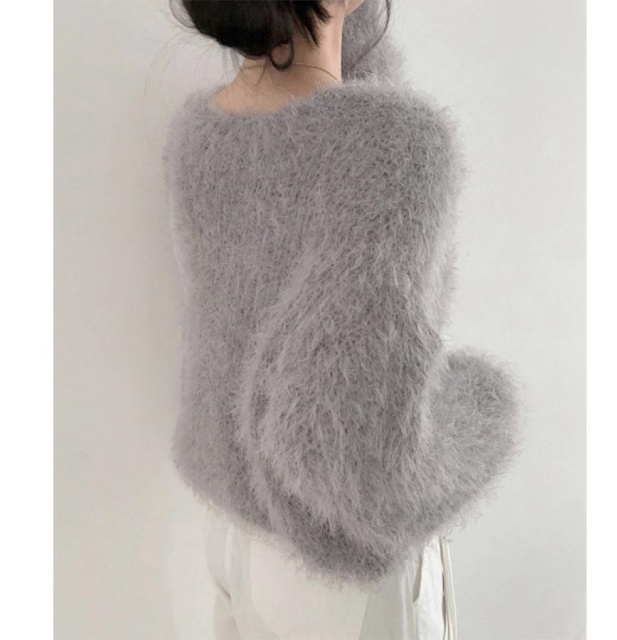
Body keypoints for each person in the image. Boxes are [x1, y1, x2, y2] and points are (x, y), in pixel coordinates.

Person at [163, 1, 522, 638]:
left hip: (234, 542)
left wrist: (335, 38)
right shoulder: (395, 146)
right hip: (338, 572)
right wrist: (487, 413)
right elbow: (362, 469)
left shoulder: (200, 132)